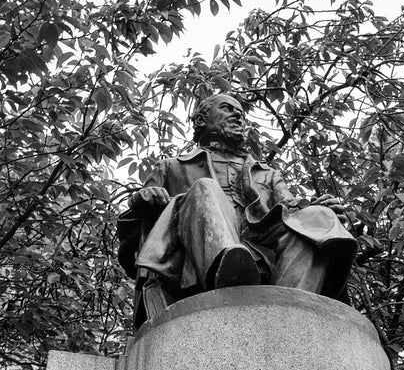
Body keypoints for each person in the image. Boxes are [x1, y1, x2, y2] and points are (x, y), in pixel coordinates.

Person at [117, 93, 357, 320]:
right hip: (198, 246)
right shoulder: (171, 167)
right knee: (204, 187)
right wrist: (142, 200)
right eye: (227, 108)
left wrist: (316, 208)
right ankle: (228, 267)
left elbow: (291, 210)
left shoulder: (268, 174)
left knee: (319, 218)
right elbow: (135, 230)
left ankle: (288, 308)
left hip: (259, 239)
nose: (237, 116)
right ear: (201, 119)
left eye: (241, 113)